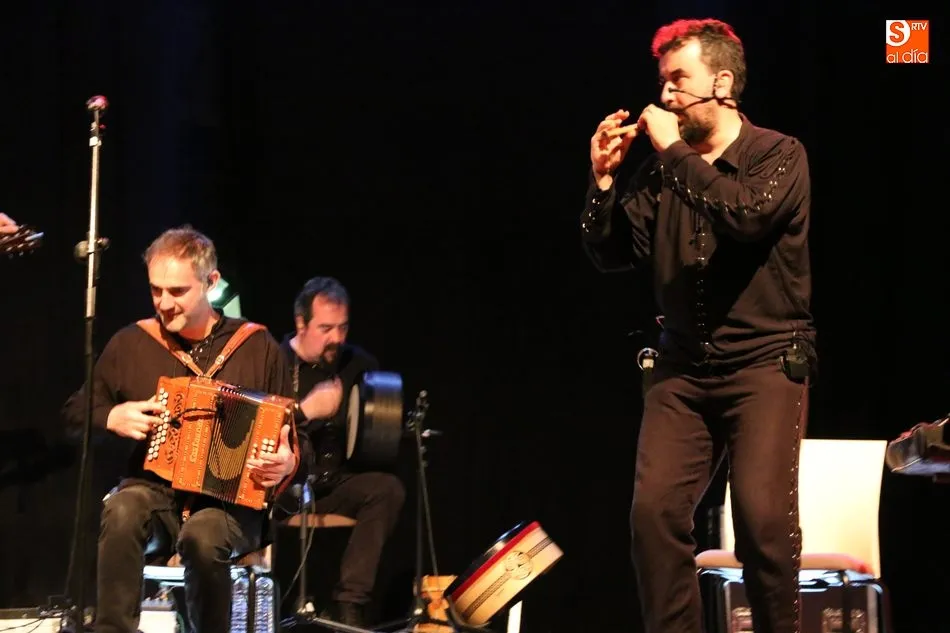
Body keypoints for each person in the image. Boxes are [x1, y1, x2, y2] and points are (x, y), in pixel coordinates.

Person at [580, 18, 814, 633]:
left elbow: (746, 217)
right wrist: (603, 181)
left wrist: (674, 154)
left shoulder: (778, 155)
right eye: (662, 82)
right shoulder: (662, 172)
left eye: (678, 80)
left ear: (722, 83)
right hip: (682, 368)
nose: (666, 95)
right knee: (653, 517)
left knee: (763, 525)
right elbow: (613, 251)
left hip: (765, 363)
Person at [62, 226, 300, 633]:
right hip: (154, 494)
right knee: (122, 509)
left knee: (203, 535)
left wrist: (288, 462)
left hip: (229, 507)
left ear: (211, 282)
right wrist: (111, 416)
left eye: (177, 291)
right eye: (156, 290)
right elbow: (73, 413)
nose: (164, 304)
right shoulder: (131, 343)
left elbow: (298, 439)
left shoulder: (257, 346)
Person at [278, 276, 405, 627]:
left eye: (343, 327)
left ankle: (350, 605)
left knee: (387, 489)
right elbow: (257, 427)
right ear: (301, 323)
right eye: (326, 328)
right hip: (281, 490)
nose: (336, 337)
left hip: (333, 485)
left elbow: (377, 435)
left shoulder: (359, 366)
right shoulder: (273, 360)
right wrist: (306, 410)